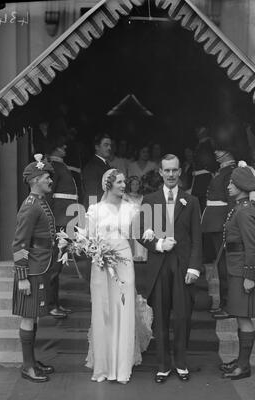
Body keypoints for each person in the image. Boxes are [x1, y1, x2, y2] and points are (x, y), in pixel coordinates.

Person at [137, 154, 202, 383]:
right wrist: (157, 244)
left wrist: (194, 267)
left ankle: (181, 363)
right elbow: (139, 232)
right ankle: (163, 366)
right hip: (160, 265)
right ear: (161, 172)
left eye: (175, 170)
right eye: (167, 171)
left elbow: (196, 238)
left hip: (183, 266)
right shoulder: (150, 199)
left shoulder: (191, 201)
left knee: (183, 316)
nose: (171, 174)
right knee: (161, 316)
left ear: (180, 171)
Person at [85, 169, 152, 384]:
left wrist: (150, 235)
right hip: (101, 265)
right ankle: (104, 366)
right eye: (120, 182)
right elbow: (88, 239)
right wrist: (97, 252)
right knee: (104, 310)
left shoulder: (132, 209)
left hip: (124, 262)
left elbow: (140, 232)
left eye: (124, 182)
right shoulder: (95, 210)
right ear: (109, 185)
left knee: (123, 308)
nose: (124, 185)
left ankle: (122, 366)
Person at [12, 155, 56, 383]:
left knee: (34, 317)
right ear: (36, 179)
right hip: (31, 270)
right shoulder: (30, 206)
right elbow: (19, 244)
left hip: (41, 266)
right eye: (47, 176)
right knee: (28, 317)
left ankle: (32, 362)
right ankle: (27, 366)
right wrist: (22, 277)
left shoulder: (40, 201)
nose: (50, 180)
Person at [220, 162, 255, 380]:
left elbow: (253, 245)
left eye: (231, 182)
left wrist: (249, 275)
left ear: (240, 185)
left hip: (242, 272)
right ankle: (241, 361)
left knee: (244, 318)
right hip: (236, 269)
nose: (228, 186)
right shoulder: (239, 207)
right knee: (239, 317)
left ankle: (244, 366)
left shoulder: (245, 211)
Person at [201, 150, 236, 319]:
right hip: (215, 221)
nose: (216, 153)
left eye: (221, 150)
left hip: (221, 221)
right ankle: (224, 303)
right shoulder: (224, 171)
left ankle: (229, 305)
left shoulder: (230, 171)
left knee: (224, 267)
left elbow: (231, 199)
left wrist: (228, 222)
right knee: (221, 265)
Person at [47, 136, 78, 319]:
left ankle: (55, 303)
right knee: (54, 266)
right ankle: (51, 304)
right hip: (58, 222)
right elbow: (49, 196)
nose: (65, 146)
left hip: (65, 222)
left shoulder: (61, 165)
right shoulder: (52, 166)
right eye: (60, 144)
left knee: (58, 265)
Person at [191, 126, 218, 212]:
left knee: (204, 207)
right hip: (198, 180)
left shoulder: (209, 144)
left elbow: (212, 163)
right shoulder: (200, 144)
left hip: (205, 180)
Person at [82, 133, 111, 209]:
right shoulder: (92, 166)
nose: (109, 148)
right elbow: (92, 193)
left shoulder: (106, 165)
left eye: (110, 145)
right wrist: (94, 213)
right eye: (106, 145)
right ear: (97, 147)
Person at [123, 176, 146, 261]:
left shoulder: (142, 196)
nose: (135, 186)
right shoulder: (125, 196)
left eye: (137, 184)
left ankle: (141, 256)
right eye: (133, 184)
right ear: (129, 185)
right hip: (130, 220)